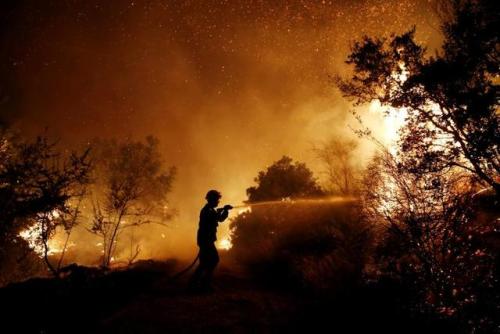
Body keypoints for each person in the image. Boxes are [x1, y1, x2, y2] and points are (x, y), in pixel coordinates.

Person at [189, 189, 232, 292]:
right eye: (217, 200)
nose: (218, 202)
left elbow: (218, 218)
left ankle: (195, 284)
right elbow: (218, 218)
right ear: (212, 200)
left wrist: (223, 211)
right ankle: (203, 284)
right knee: (213, 260)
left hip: (206, 240)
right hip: (206, 241)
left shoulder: (209, 210)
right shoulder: (207, 211)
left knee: (204, 263)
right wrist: (224, 210)